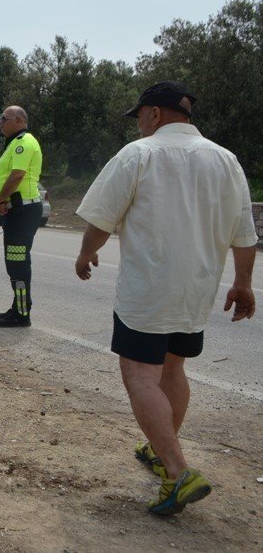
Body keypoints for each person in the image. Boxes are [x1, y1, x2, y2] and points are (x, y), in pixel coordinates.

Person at [74, 81, 256, 516]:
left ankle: (177, 472)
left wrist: (86, 252)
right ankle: (160, 448)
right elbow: (244, 233)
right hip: (197, 290)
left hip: (149, 290)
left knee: (140, 375)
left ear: (155, 114)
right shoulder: (226, 160)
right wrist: (243, 283)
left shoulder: (140, 154)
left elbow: (102, 217)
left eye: (139, 115)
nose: (139, 124)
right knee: (173, 369)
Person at [0, 106, 44, 328]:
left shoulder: (24, 141)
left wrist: (1, 199)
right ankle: (19, 307)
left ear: (20, 120)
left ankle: (22, 314)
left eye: (4, 118)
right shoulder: (15, 142)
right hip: (18, 212)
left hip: (22, 212)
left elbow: (17, 175)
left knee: (17, 264)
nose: (0, 122)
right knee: (17, 262)